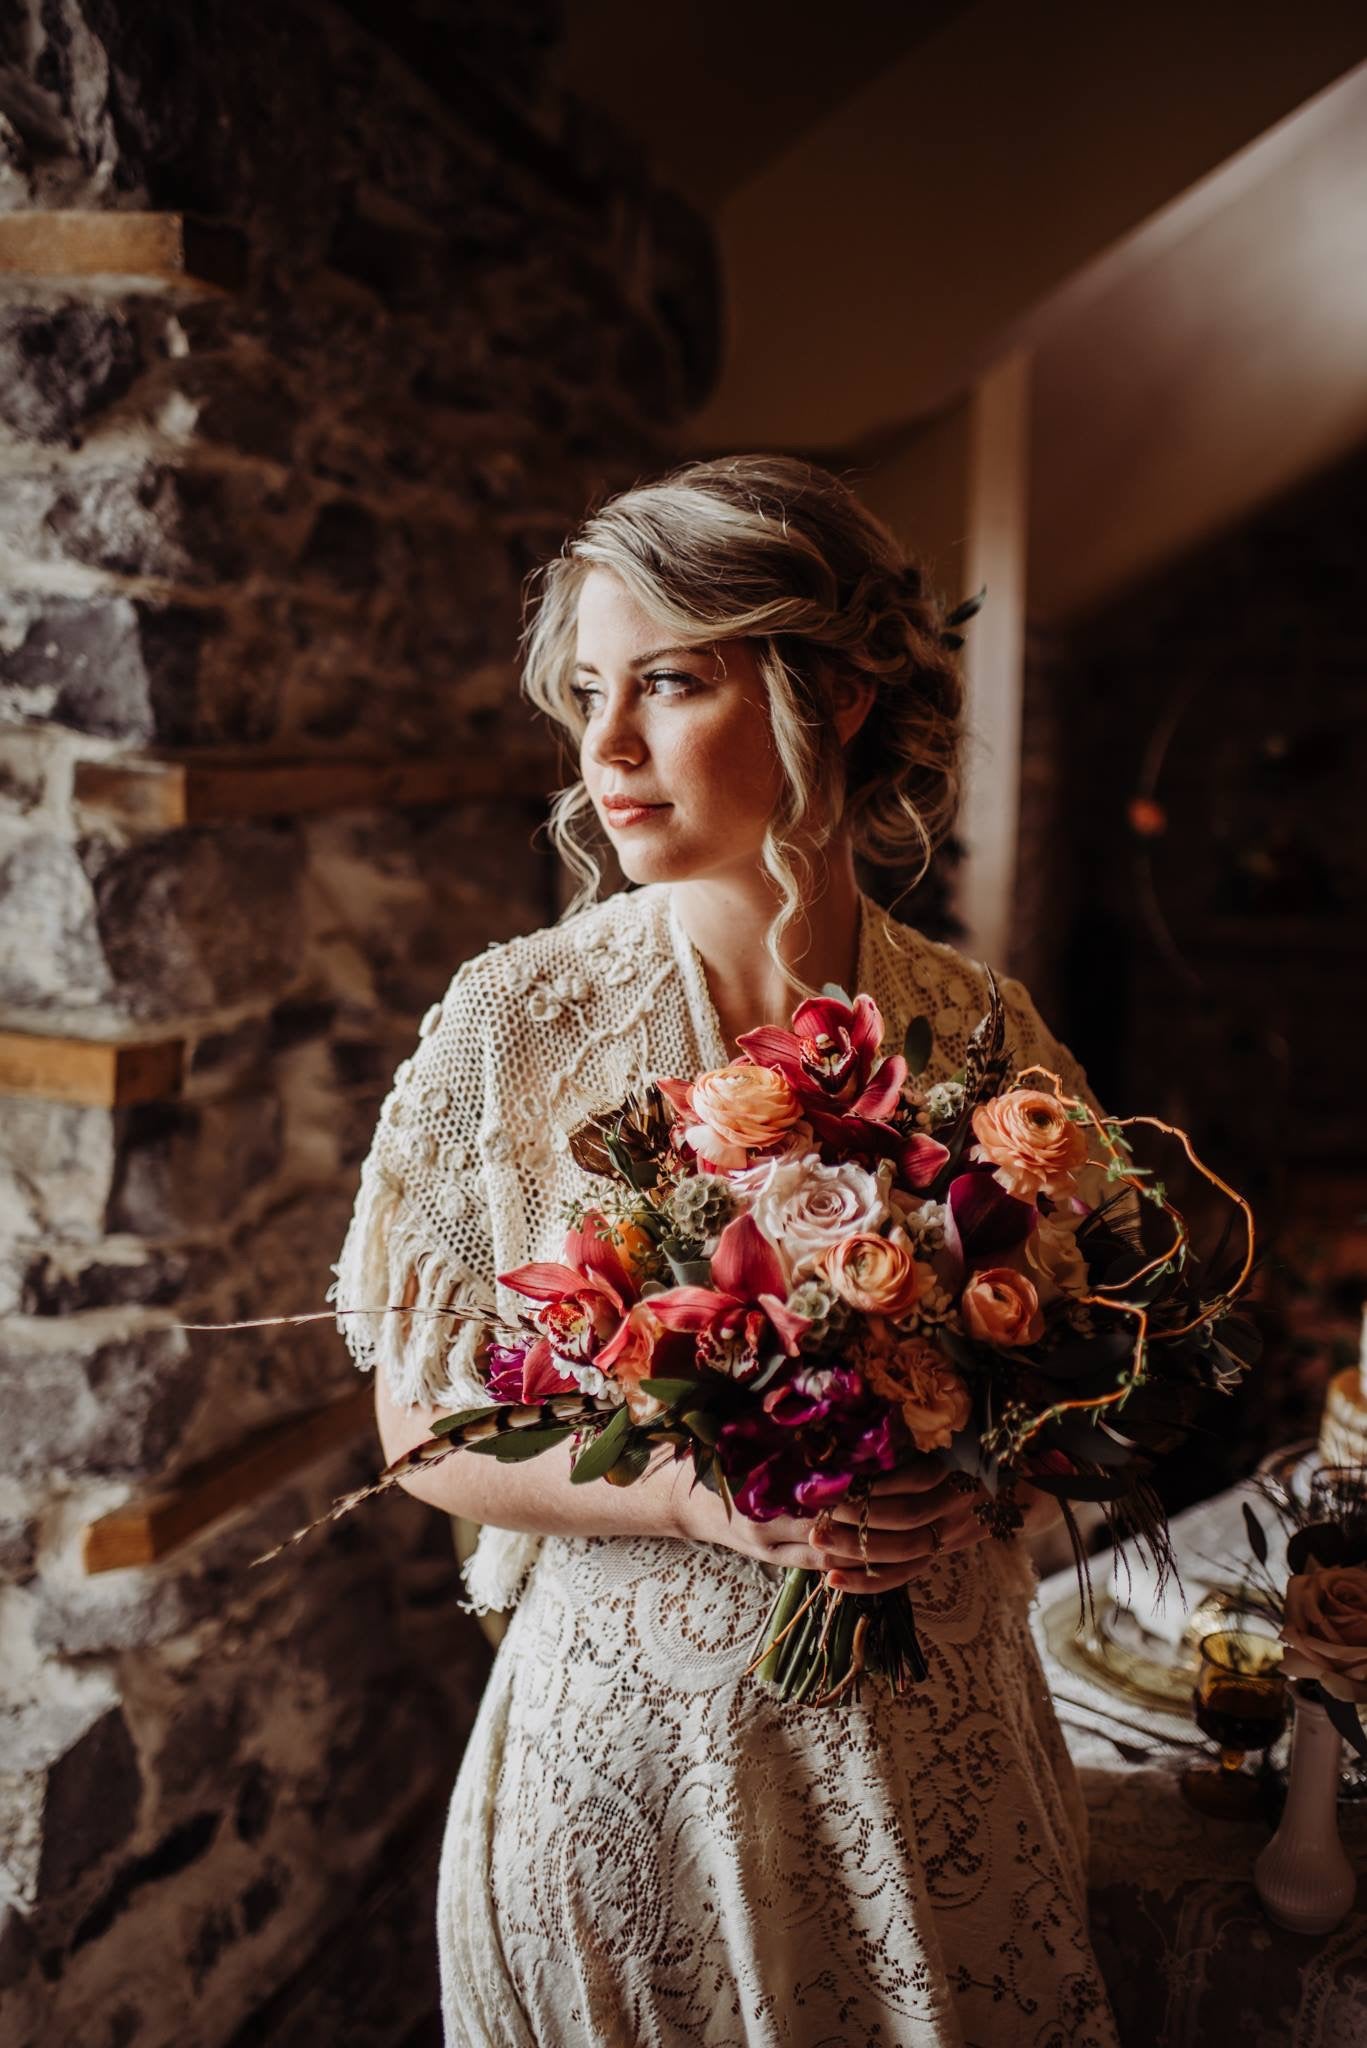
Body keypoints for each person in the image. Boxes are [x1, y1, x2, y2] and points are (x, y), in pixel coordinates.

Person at [331, 456, 1123, 2047]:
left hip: (944, 1765)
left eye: (668, 682)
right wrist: (699, 1495)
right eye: (585, 693)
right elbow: (420, 1433)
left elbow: (1088, 1384)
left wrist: (968, 1475)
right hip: (635, 1780)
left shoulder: (985, 1038)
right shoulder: (518, 1027)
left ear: (826, 694)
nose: (606, 747)